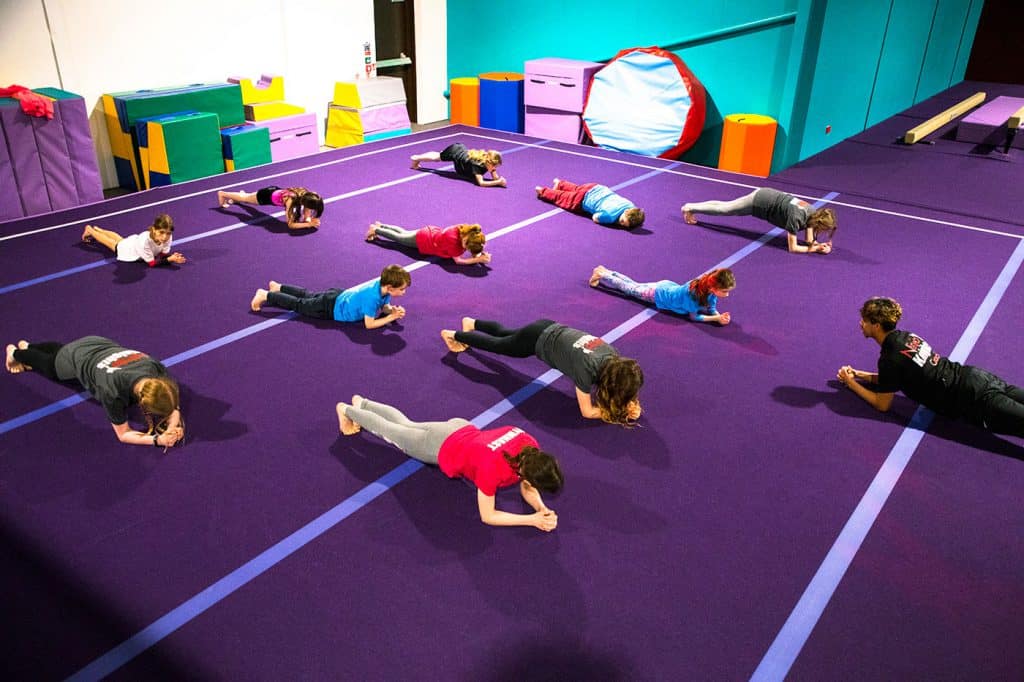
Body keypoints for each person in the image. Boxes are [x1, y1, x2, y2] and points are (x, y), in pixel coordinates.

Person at [336, 395, 562, 531]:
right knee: (391, 433)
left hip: (459, 428)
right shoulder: (493, 471)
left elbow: (527, 482)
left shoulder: (529, 444)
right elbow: (488, 516)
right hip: (439, 447)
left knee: (407, 424)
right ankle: (346, 410)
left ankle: (363, 403)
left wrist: (541, 509)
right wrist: (531, 520)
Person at [837, 297, 1024, 437]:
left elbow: (882, 404)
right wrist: (860, 375)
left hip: (974, 399)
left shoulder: (889, 358)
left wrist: (850, 382)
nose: (861, 324)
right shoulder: (907, 337)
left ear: (876, 325)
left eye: (865, 321)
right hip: (978, 377)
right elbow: (895, 377)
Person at [441, 318, 643, 425]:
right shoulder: (586, 371)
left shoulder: (613, 356)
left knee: (505, 334)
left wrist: (630, 401)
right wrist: (620, 412)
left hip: (548, 326)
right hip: (537, 341)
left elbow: (621, 381)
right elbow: (587, 412)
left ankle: (471, 322)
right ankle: (453, 335)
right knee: (498, 345)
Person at [5, 336, 185, 449]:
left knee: (62, 351)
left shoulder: (156, 369)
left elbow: (172, 405)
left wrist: (170, 429)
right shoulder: (112, 392)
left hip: (98, 343)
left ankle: (30, 346)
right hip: (80, 358)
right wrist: (157, 440)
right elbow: (123, 434)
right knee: (52, 368)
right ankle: (17, 353)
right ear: (142, 403)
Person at [250, 264, 411, 330]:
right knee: (300, 304)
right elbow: (369, 324)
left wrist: (391, 311)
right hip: (330, 309)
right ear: (390, 287)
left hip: (338, 295)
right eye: (402, 289)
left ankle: (278, 287)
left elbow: (384, 306)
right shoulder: (372, 297)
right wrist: (391, 318)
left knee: (308, 294)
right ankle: (266, 295)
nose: (404, 292)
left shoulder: (382, 285)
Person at [682, 187, 836, 254]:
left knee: (726, 205)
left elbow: (809, 240)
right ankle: (689, 207)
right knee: (726, 209)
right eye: (824, 229)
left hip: (769, 195)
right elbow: (793, 248)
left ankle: (692, 207)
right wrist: (814, 249)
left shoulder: (813, 213)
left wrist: (819, 246)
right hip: (761, 202)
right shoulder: (796, 218)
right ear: (819, 223)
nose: (823, 232)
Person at [590, 265, 735, 325]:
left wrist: (718, 314)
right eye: (725, 291)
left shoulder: (708, 288)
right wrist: (716, 319)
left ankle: (607, 271)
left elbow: (710, 306)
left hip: (666, 286)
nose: (727, 295)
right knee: (629, 289)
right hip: (656, 294)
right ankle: (602, 274)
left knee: (635, 284)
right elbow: (694, 317)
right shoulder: (693, 294)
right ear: (714, 287)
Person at [365, 221, 491, 266]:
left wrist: (478, 253)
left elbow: (473, 246)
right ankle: (376, 230)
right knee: (399, 239)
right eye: (467, 246)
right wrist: (477, 260)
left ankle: (381, 225)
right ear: (466, 240)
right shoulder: (453, 243)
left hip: (428, 232)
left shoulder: (464, 229)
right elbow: (459, 261)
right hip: (423, 241)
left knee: (404, 232)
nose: (465, 249)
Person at [80, 214, 185, 266]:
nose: (164, 237)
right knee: (111, 243)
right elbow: (152, 263)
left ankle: (100, 230)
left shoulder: (168, 236)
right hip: (127, 250)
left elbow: (161, 255)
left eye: (168, 233)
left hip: (133, 242)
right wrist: (169, 260)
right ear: (154, 229)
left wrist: (172, 256)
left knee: (119, 238)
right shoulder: (145, 241)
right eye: (161, 232)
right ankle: (90, 230)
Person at [535, 178, 645, 228]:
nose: (620, 223)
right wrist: (614, 223)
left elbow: (636, 212)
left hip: (595, 187)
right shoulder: (610, 216)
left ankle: (560, 183)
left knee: (576, 188)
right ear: (626, 212)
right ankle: (542, 191)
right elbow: (595, 217)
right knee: (563, 198)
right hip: (582, 200)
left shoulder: (630, 205)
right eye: (621, 221)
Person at [217, 186, 324, 229]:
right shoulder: (290, 201)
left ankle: (239, 198)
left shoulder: (307, 195)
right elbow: (290, 224)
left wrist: (308, 219)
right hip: (266, 196)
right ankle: (223, 194)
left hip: (275, 191)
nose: (311, 210)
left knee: (247, 199)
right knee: (246, 198)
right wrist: (309, 224)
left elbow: (307, 209)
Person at [410, 142, 506, 188]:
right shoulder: (477, 165)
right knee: (437, 158)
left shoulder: (487, 163)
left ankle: (418, 159)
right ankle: (416, 158)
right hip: (455, 152)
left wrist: (498, 179)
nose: (495, 169)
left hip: (461, 150)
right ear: (489, 162)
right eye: (494, 166)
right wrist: (498, 183)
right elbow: (481, 183)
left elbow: (495, 177)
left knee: (439, 155)